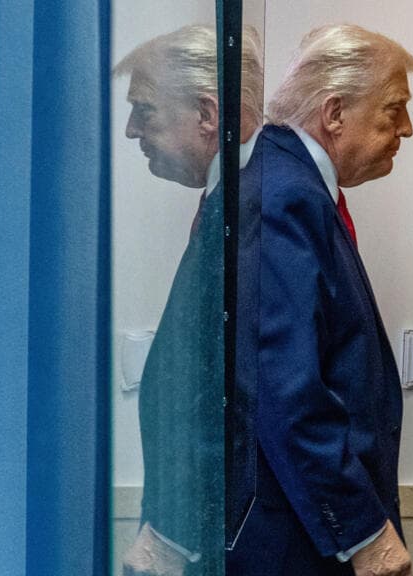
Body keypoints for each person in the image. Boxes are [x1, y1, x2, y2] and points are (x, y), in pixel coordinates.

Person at [226, 24, 413, 576]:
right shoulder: (283, 196)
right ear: (334, 113)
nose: (406, 129)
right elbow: (283, 388)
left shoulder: (293, 187)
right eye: (394, 108)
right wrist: (363, 532)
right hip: (294, 544)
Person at [114, 24, 263, 576]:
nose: (131, 130)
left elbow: (243, 396)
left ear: (207, 113)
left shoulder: (258, 208)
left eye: (144, 110)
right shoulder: (233, 201)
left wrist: (171, 531)